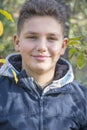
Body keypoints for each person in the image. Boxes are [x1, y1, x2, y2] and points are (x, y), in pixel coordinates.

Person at [0, 0, 87, 129]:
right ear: (17, 42)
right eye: (32, 37)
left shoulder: (82, 99)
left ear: (63, 46)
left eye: (51, 38)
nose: (42, 47)